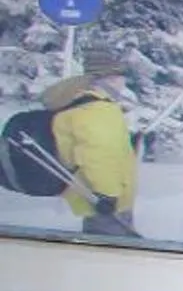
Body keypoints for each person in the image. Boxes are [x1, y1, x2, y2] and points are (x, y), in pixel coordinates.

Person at [44, 42, 137, 237]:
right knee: (110, 249)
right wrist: (108, 194)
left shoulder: (85, 105)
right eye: (120, 76)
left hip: (97, 197)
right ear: (108, 79)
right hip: (105, 202)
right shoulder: (95, 110)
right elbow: (96, 156)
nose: (123, 82)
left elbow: (103, 147)